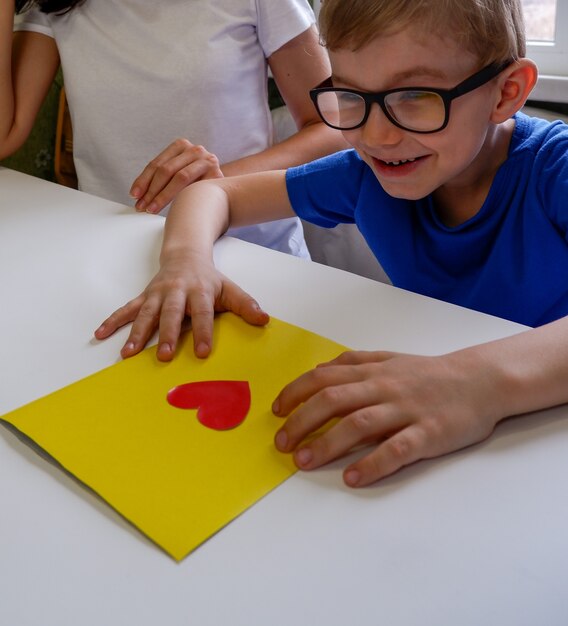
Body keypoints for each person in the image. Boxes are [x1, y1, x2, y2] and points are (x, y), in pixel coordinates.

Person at [96, 0, 568, 488]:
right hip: (452, 437)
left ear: (506, 92)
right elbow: (211, 192)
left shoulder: (555, 168)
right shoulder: (365, 175)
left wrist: (475, 383)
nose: (376, 135)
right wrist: (185, 261)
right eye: (350, 95)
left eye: (415, 96)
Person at [1, 0, 346, 256]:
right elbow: (5, 134)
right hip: (115, 252)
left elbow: (335, 129)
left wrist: (216, 187)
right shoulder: (55, 6)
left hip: (249, 253)